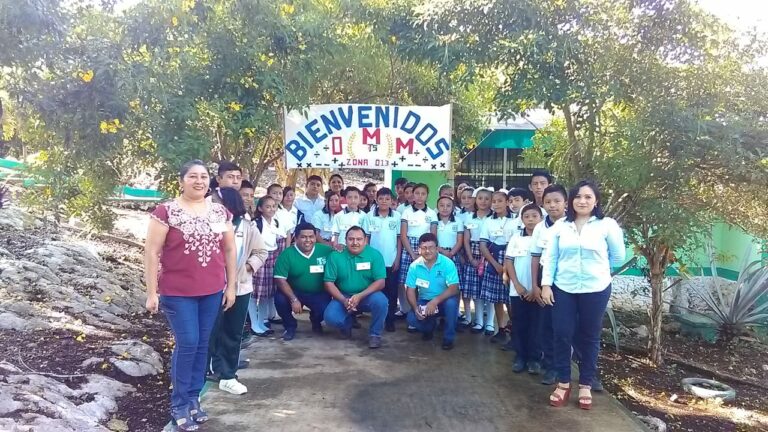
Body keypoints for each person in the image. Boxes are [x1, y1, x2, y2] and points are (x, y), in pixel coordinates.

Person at [144, 160, 237, 431]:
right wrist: (152, 292)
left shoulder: (220, 213)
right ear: (181, 181)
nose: (199, 181)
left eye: (204, 176)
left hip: (211, 291)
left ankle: (194, 398)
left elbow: (229, 250)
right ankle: (179, 403)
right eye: (193, 176)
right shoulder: (167, 212)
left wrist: (230, 286)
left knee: (202, 343)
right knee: (188, 342)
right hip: (177, 292)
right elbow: (151, 252)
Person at [541, 180, 625, 409]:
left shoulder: (606, 225)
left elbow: (618, 256)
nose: (582, 201)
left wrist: (598, 272)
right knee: (562, 333)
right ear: (571, 201)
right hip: (564, 288)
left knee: (589, 335)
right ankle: (564, 382)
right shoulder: (560, 227)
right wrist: (546, 285)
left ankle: (586, 383)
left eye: (588, 197)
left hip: (595, 289)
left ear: (596, 201)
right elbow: (550, 258)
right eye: (578, 196)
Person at [207, 188, 267, 396]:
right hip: (211, 288)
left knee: (233, 333)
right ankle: (208, 371)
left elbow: (261, 251)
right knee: (210, 332)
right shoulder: (208, 223)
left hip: (240, 288)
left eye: (215, 200)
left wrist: (248, 268)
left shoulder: (247, 225)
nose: (211, 202)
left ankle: (228, 376)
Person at [323, 226, 388, 348]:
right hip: (344, 295)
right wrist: (343, 300)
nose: (355, 243)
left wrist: (359, 296)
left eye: (359, 239)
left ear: (365, 240)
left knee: (381, 302)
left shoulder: (374, 255)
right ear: (345, 240)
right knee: (330, 318)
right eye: (351, 239)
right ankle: (346, 326)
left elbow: (380, 282)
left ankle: (375, 334)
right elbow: (328, 283)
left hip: (368, 295)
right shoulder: (336, 256)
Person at [530, 184, 567, 383]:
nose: (553, 206)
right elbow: (535, 257)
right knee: (546, 323)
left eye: (557, 201)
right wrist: (536, 285)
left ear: (566, 203)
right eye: (548, 202)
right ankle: (551, 365)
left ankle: (570, 366)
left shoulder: (573, 225)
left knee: (567, 325)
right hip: (545, 277)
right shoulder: (539, 227)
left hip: (567, 278)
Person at [274, 222, 334, 341]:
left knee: (326, 309)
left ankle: (316, 320)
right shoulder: (287, 254)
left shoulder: (326, 251)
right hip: (295, 292)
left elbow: (341, 256)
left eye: (311, 237)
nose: (308, 240)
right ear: (295, 238)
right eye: (303, 237)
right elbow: (280, 279)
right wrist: (293, 299)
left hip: (319, 293)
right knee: (280, 299)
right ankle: (290, 326)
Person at [504, 203, 543, 374]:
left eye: (534, 216)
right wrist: (517, 285)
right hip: (518, 290)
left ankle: (534, 359)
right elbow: (509, 261)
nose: (530, 220)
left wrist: (537, 289)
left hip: (539, 292)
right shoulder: (516, 238)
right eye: (527, 216)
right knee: (519, 324)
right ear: (522, 219)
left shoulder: (545, 238)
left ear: (541, 218)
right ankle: (520, 357)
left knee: (537, 325)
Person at [406, 233, 461, 350]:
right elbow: (410, 290)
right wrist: (416, 308)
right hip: (424, 300)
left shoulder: (447, 263)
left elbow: (454, 288)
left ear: (437, 248)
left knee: (452, 304)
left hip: (444, 300)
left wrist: (435, 301)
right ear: (419, 249)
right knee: (411, 318)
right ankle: (429, 328)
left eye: (431, 247)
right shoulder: (414, 266)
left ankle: (448, 338)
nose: (427, 251)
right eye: (424, 248)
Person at [361, 188, 402, 332]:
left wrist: (397, 258)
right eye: (381, 198)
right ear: (376, 200)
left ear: (392, 201)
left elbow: (399, 239)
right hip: (374, 263)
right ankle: (378, 319)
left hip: (391, 261)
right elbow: (367, 238)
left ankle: (390, 320)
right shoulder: (369, 216)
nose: (384, 201)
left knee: (392, 292)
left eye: (387, 199)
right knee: (376, 292)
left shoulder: (397, 216)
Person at [479, 190, 517, 342]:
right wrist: (495, 264)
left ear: (508, 202)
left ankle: (515, 329)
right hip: (493, 260)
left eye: (500, 201)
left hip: (512, 260)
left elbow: (516, 243)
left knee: (511, 298)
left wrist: (507, 266)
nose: (496, 204)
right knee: (497, 298)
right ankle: (500, 329)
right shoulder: (488, 221)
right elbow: (483, 244)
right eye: (494, 201)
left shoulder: (516, 220)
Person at [248, 196, 289, 336]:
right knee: (254, 294)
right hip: (259, 260)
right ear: (260, 208)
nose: (271, 209)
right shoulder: (256, 223)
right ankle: (254, 324)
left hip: (272, 260)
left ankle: (261, 322)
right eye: (268, 206)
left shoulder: (276, 222)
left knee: (267, 294)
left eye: (274, 206)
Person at [398, 183, 438, 323]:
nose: (420, 197)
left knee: (425, 280)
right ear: (412, 195)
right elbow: (403, 235)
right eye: (417, 193)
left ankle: (426, 311)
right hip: (409, 247)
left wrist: (424, 252)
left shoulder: (432, 213)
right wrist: (412, 254)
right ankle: (411, 311)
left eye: (423, 193)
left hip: (426, 248)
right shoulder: (407, 211)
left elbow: (433, 235)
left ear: (427, 195)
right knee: (409, 283)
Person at [463, 188, 492, 333]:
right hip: (473, 254)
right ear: (475, 200)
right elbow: (466, 240)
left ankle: (490, 323)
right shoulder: (469, 218)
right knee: (476, 292)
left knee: (489, 291)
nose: (483, 201)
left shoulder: (493, 218)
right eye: (480, 198)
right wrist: (470, 258)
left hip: (490, 254)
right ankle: (479, 321)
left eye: (487, 198)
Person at [331, 186, 364, 251]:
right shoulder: (338, 216)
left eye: (356, 197)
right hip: (342, 250)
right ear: (345, 199)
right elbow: (335, 235)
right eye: (350, 197)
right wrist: (336, 247)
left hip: (358, 250)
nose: (353, 200)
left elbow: (366, 237)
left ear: (359, 199)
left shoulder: (364, 216)